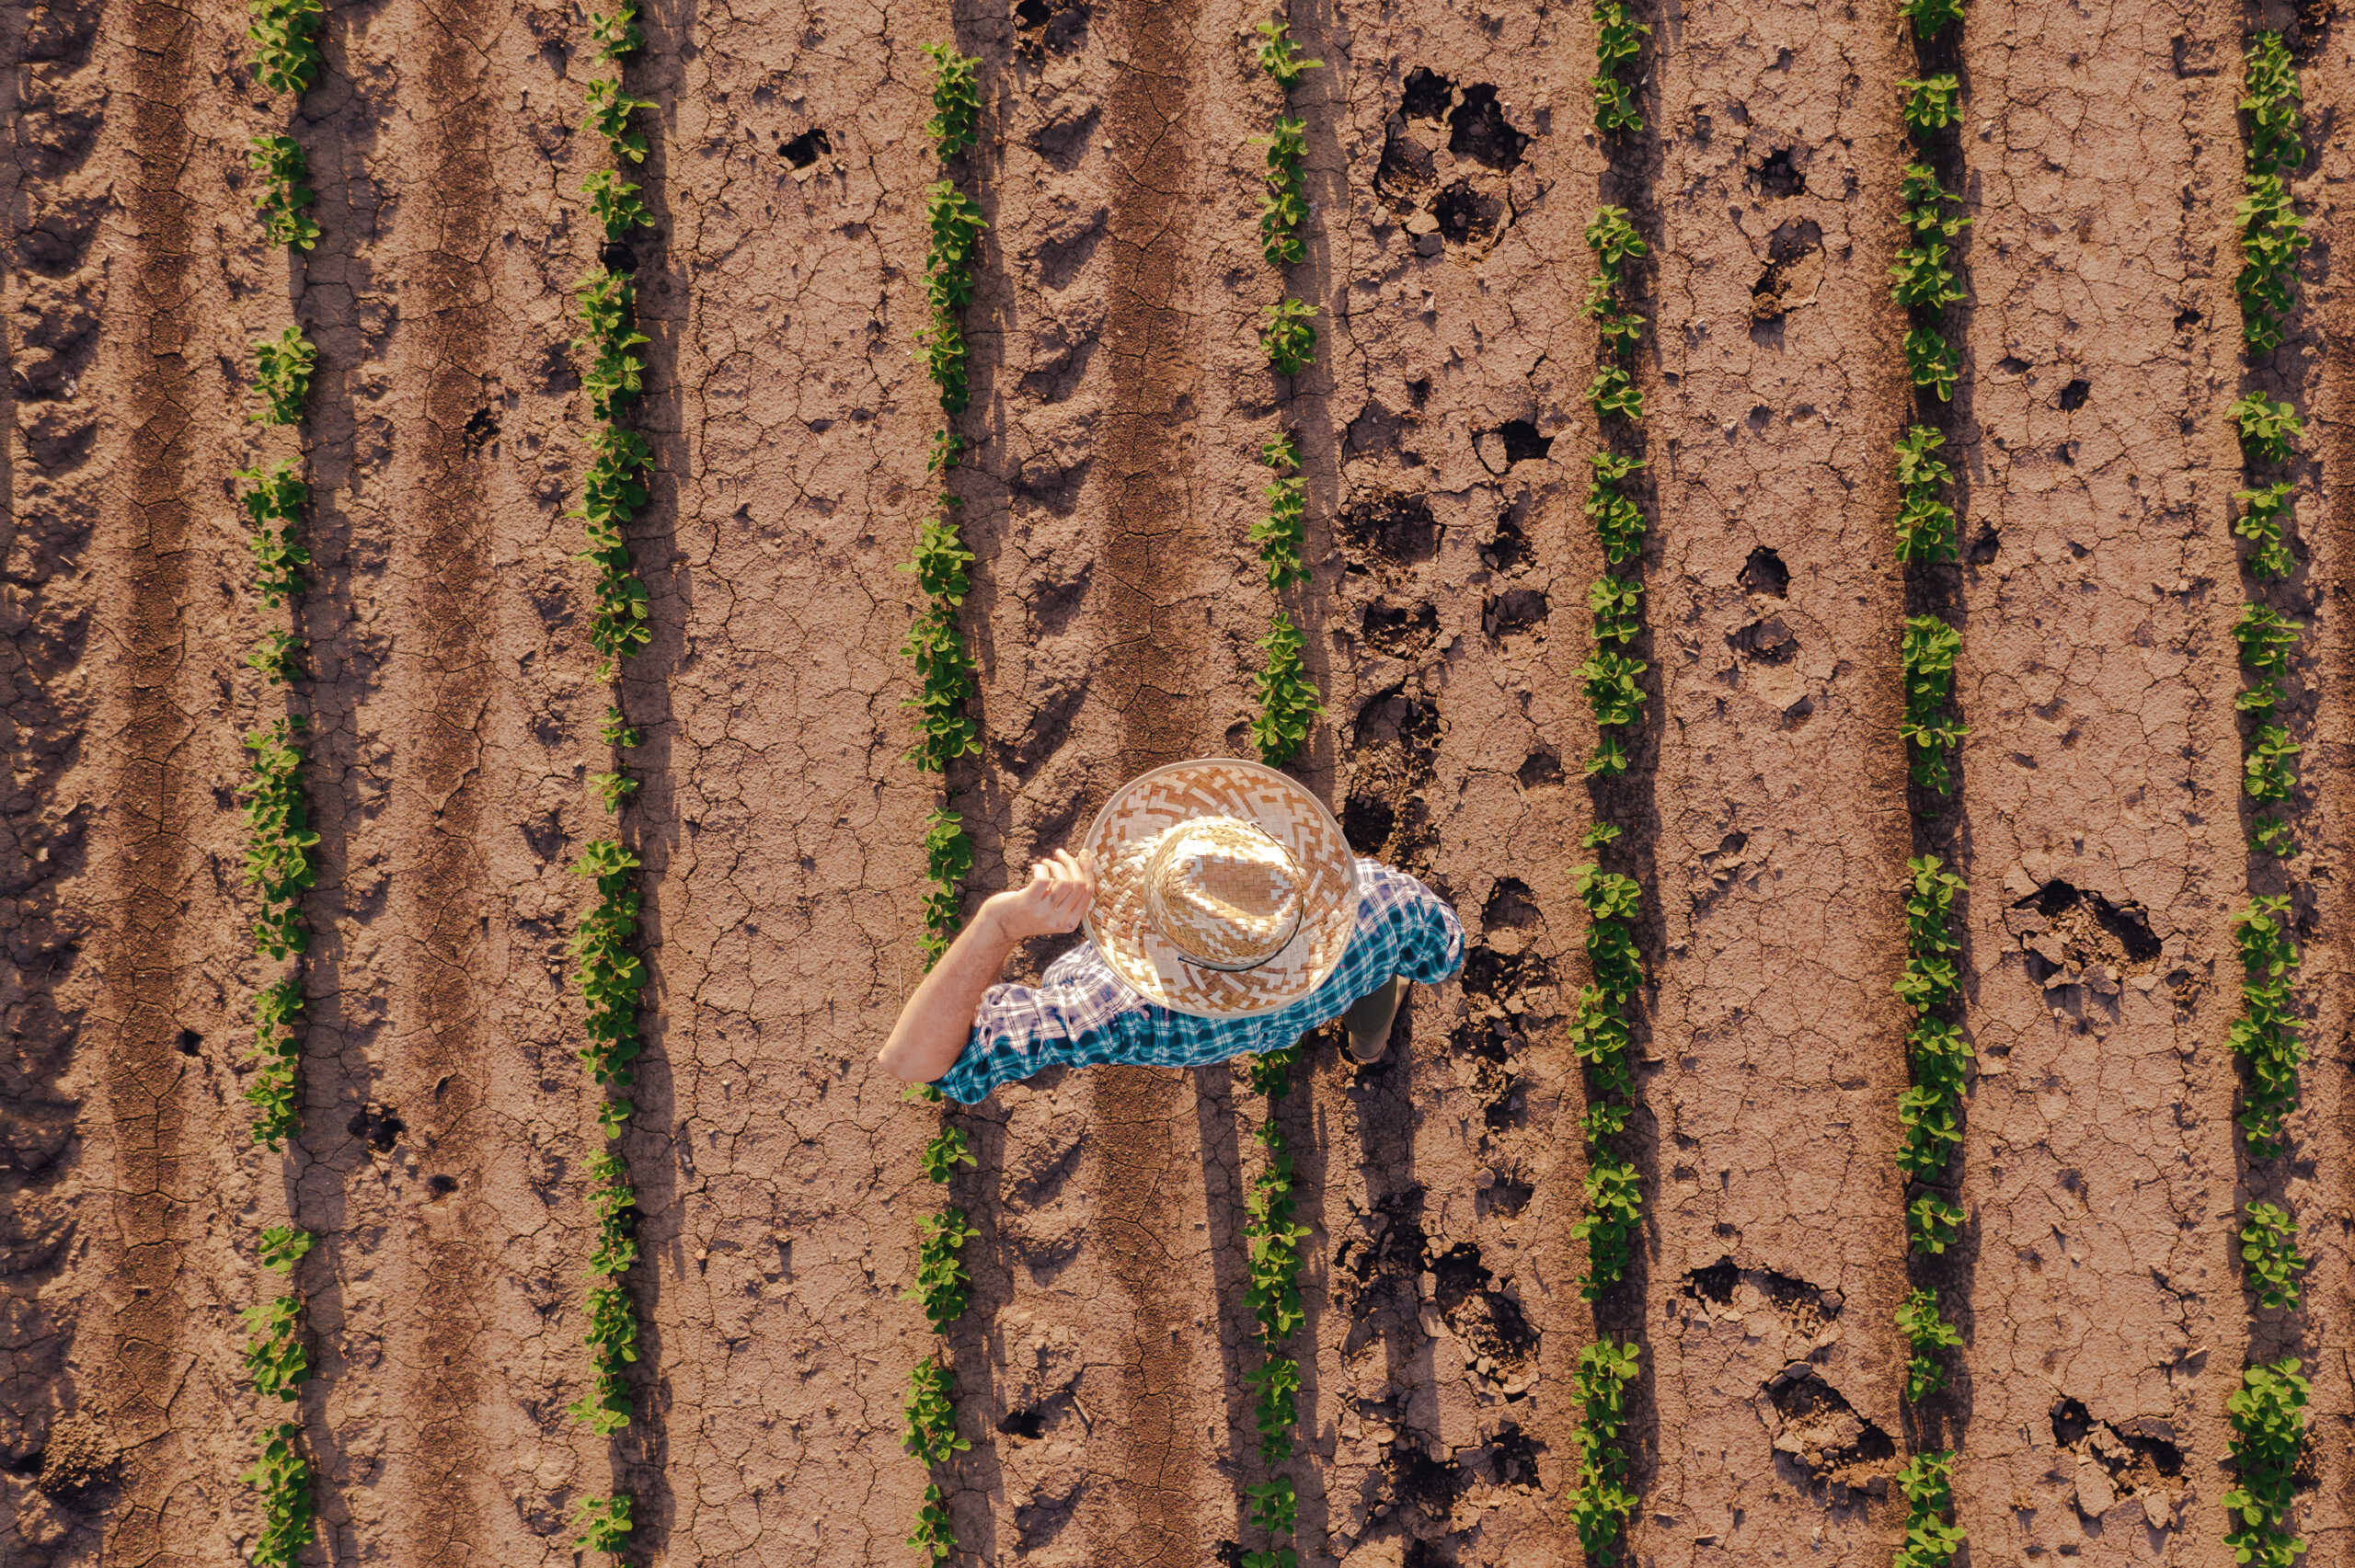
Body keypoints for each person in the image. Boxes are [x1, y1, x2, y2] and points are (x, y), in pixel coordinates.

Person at [879, 758, 1465, 1103]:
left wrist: (999, 923)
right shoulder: (1385, 901)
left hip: (1195, 1037)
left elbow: (914, 1061)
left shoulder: (1118, 1012)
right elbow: (1443, 954)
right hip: (1348, 971)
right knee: (1376, 986)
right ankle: (1368, 1047)